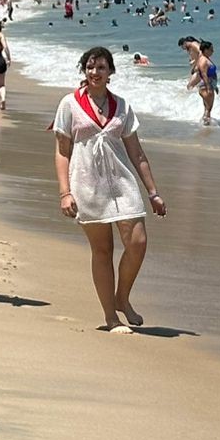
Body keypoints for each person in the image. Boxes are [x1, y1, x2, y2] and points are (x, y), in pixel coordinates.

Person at [53, 46, 168, 333]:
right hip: (87, 186)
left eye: (101, 67)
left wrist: (153, 192)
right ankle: (111, 317)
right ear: (84, 70)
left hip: (122, 184)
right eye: (90, 67)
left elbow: (137, 153)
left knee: (138, 242)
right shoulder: (70, 104)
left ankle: (122, 298)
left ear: (110, 72)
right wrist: (65, 193)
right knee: (102, 250)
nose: (95, 72)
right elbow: (62, 151)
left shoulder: (122, 106)